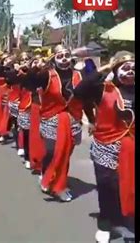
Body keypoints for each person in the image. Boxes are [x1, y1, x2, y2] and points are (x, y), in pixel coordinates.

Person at [73, 51, 135, 243]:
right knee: (107, 186)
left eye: (134, 68)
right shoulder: (103, 89)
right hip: (106, 145)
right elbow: (79, 91)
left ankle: (125, 220)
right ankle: (106, 224)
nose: (131, 72)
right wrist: (104, 68)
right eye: (126, 68)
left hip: (131, 146)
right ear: (115, 69)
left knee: (127, 186)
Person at [25, 45, 95, 202]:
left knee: (65, 154)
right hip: (51, 118)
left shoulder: (79, 76)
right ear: (54, 59)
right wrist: (33, 68)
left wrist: (91, 120)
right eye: (60, 56)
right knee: (52, 151)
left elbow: (86, 100)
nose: (64, 59)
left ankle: (59, 179)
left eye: (66, 55)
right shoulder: (46, 75)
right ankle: (50, 178)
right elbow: (28, 84)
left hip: (73, 120)